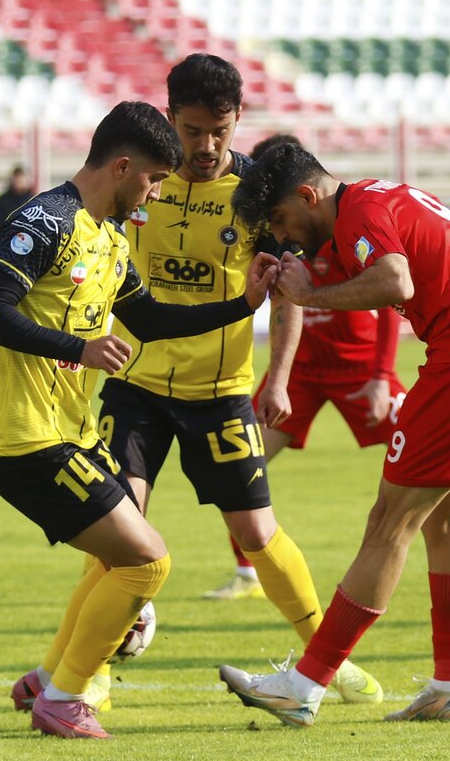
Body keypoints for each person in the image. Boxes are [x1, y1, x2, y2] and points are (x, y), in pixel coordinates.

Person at [217, 143, 450, 728]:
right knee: (440, 520)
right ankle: (449, 688)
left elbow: (396, 282)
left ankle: (304, 685)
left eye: (285, 222)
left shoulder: (360, 211)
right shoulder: (390, 195)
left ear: (307, 196)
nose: (286, 238)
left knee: (391, 521)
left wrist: (310, 294)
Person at [0, 101, 278, 739]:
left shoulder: (109, 238)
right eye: (154, 180)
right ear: (123, 165)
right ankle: (63, 697)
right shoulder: (44, 221)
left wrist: (242, 305)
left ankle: (49, 678)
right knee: (147, 561)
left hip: (68, 434)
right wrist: (77, 349)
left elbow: (157, 320)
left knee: (125, 561)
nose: (157, 193)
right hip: (24, 440)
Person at [94, 55, 384, 708]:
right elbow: (99, 261)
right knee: (117, 523)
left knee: (256, 532)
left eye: (219, 131)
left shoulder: (259, 193)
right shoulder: (142, 178)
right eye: (192, 130)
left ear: (238, 121)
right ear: (169, 118)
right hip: (135, 380)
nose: (206, 146)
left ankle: (324, 659)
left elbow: (286, 294)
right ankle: (94, 668)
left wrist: (277, 378)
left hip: (219, 390)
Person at [206, 133, 450, 602]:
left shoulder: (344, 224)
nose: (279, 226)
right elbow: (283, 304)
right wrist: (280, 380)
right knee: (239, 466)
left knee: (433, 469)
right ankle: (247, 572)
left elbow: (392, 300)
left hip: (360, 370)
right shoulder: (280, 237)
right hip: (305, 373)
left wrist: (379, 376)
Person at [0, 165, 34, 235]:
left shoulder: (32, 200)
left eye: (21, 179)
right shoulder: (4, 200)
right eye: (17, 179)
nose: (19, 182)